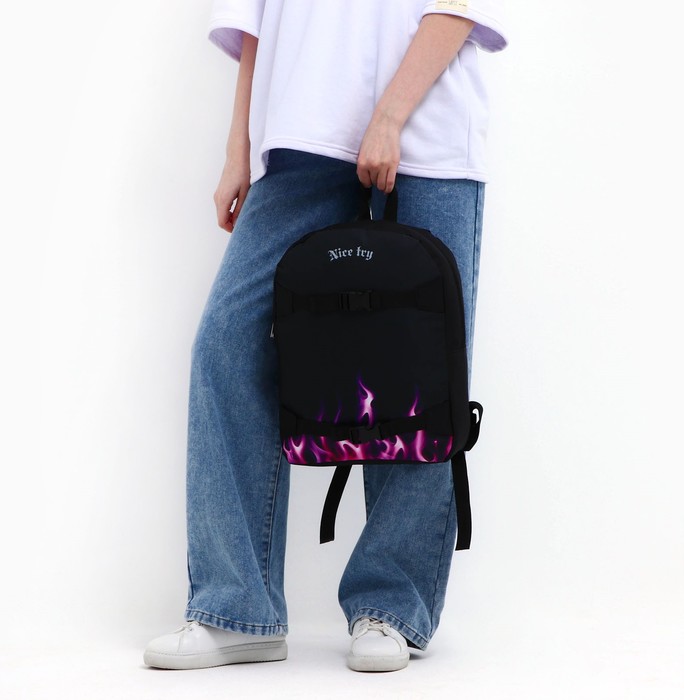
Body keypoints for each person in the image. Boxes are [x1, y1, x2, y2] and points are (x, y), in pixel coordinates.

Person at [144, 0, 507, 673]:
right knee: (226, 343)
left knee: (417, 371)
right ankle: (237, 608)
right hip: (301, 135)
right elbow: (254, 18)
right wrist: (238, 149)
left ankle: (391, 606)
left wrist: (390, 116)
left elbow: (456, 6)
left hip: (425, 128)